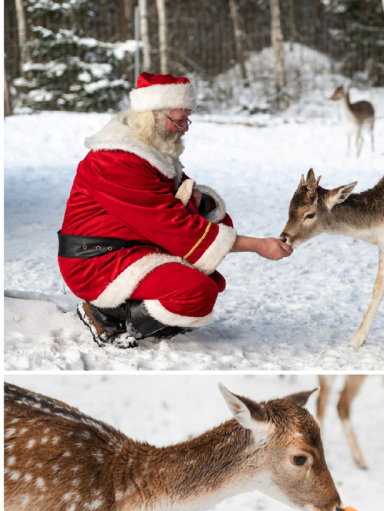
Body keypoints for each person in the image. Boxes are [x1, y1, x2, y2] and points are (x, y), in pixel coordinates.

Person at [58, 72, 293, 348]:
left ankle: (134, 313)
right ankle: (105, 315)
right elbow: (173, 227)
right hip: (97, 261)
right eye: (179, 120)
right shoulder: (117, 160)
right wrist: (258, 245)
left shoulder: (150, 149)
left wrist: (201, 202)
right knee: (197, 292)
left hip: (128, 248)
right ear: (151, 117)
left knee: (210, 280)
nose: (185, 128)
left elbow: (172, 204)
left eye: (186, 119)